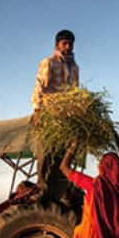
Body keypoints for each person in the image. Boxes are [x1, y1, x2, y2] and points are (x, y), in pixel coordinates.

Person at [31, 29, 79, 199]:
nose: (68, 46)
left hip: (65, 117)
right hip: (49, 114)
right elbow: (39, 87)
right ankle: (41, 187)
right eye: (64, 43)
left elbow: (75, 92)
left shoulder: (74, 67)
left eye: (70, 43)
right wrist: (37, 111)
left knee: (63, 153)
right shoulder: (49, 63)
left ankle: (59, 190)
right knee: (45, 151)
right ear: (57, 45)